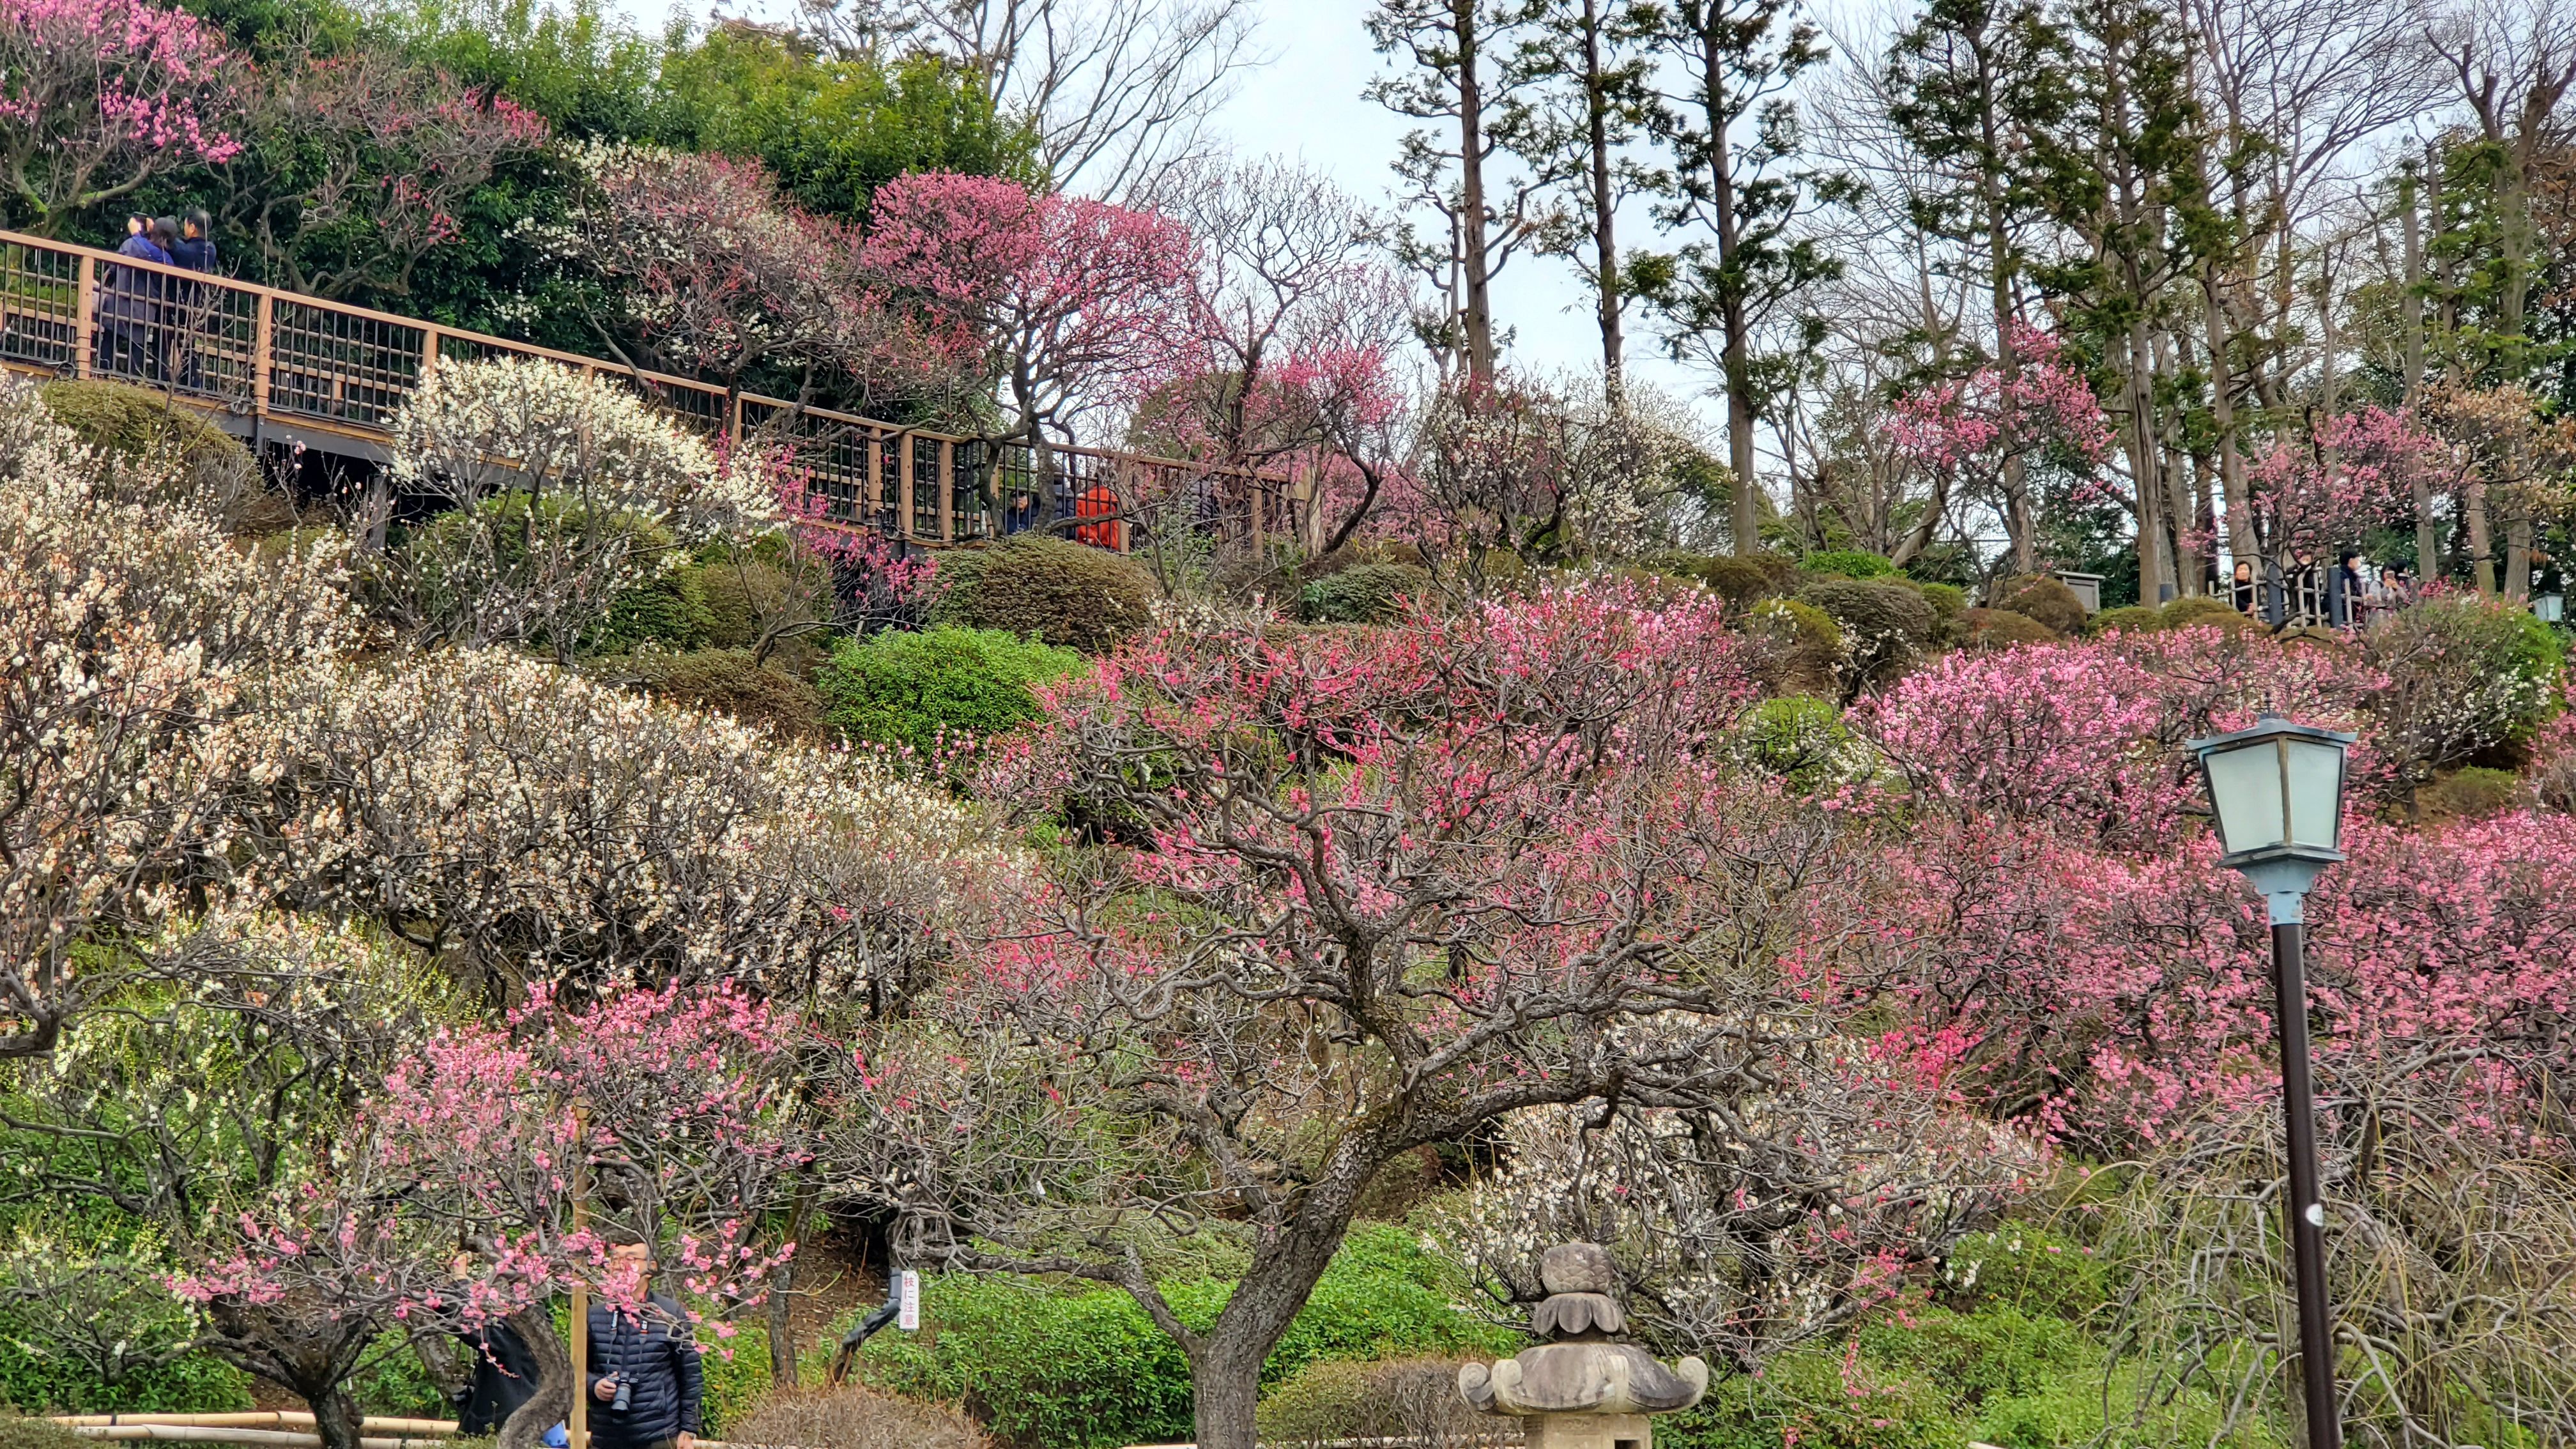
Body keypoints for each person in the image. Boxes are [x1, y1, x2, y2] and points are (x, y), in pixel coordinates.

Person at [583, 1230, 702, 1449]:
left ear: (651, 1268)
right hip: (606, 1433)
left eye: (630, 1259)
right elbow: (575, 1369)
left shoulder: (670, 1314)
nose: (621, 1266)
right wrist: (594, 1386)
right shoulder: (594, 1315)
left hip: (658, 1434)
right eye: (615, 1259)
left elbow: (690, 1375)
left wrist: (689, 1428)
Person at [447, 1253, 542, 1436]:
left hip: (502, 1423)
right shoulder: (536, 1326)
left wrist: (459, 1279)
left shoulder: (516, 1331)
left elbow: (466, 1322)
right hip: (520, 1419)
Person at [95, 213, 172, 379]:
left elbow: (114, 268)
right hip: (143, 308)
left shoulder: (131, 244)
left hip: (119, 300)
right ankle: (133, 382)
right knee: (137, 347)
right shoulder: (167, 259)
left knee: (109, 340)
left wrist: (137, 234)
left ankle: (102, 375)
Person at [164, 210, 218, 389]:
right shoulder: (207, 248)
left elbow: (184, 254)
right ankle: (187, 384)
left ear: (192, 227)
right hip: (189, 304)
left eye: (186, 225)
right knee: (178, 342)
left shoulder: (205, 249)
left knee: (178, 342)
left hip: (181, 302)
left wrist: (165, 233)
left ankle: (188, 384)